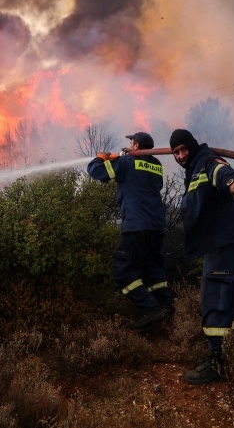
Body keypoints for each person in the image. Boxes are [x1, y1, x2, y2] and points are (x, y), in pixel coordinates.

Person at [169, 128, 234, 385]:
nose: (180, 155)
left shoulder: (207, 162)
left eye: (183, 149)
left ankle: (217, 361)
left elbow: (222, 172)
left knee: (215, 297)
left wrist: (232, 183)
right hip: (231, 240)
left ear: (192, 146)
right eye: (176, 152)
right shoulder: (194, 167)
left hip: (224, 242)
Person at [87, 132, 174, 330]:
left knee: (121, 269)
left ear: (136, 146)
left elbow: (96, 172)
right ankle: (167, 309)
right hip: (156, 226)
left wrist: (100, 158)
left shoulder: (127, 163)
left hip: (136, 225)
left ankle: (150, 308)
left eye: (131, 142)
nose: (129, 145)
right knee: (153, 270)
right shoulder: (156, 166)